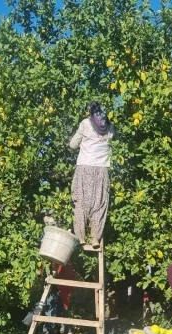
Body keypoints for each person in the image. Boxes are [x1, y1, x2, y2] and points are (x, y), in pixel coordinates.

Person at [69, 101, 115, 249]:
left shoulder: (85, 124)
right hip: (102, 170)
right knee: (99, 204)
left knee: (81, 201)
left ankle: (81, 236)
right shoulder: (110, 126)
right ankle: (95, 238)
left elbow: (72, 145)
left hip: (84, 168)